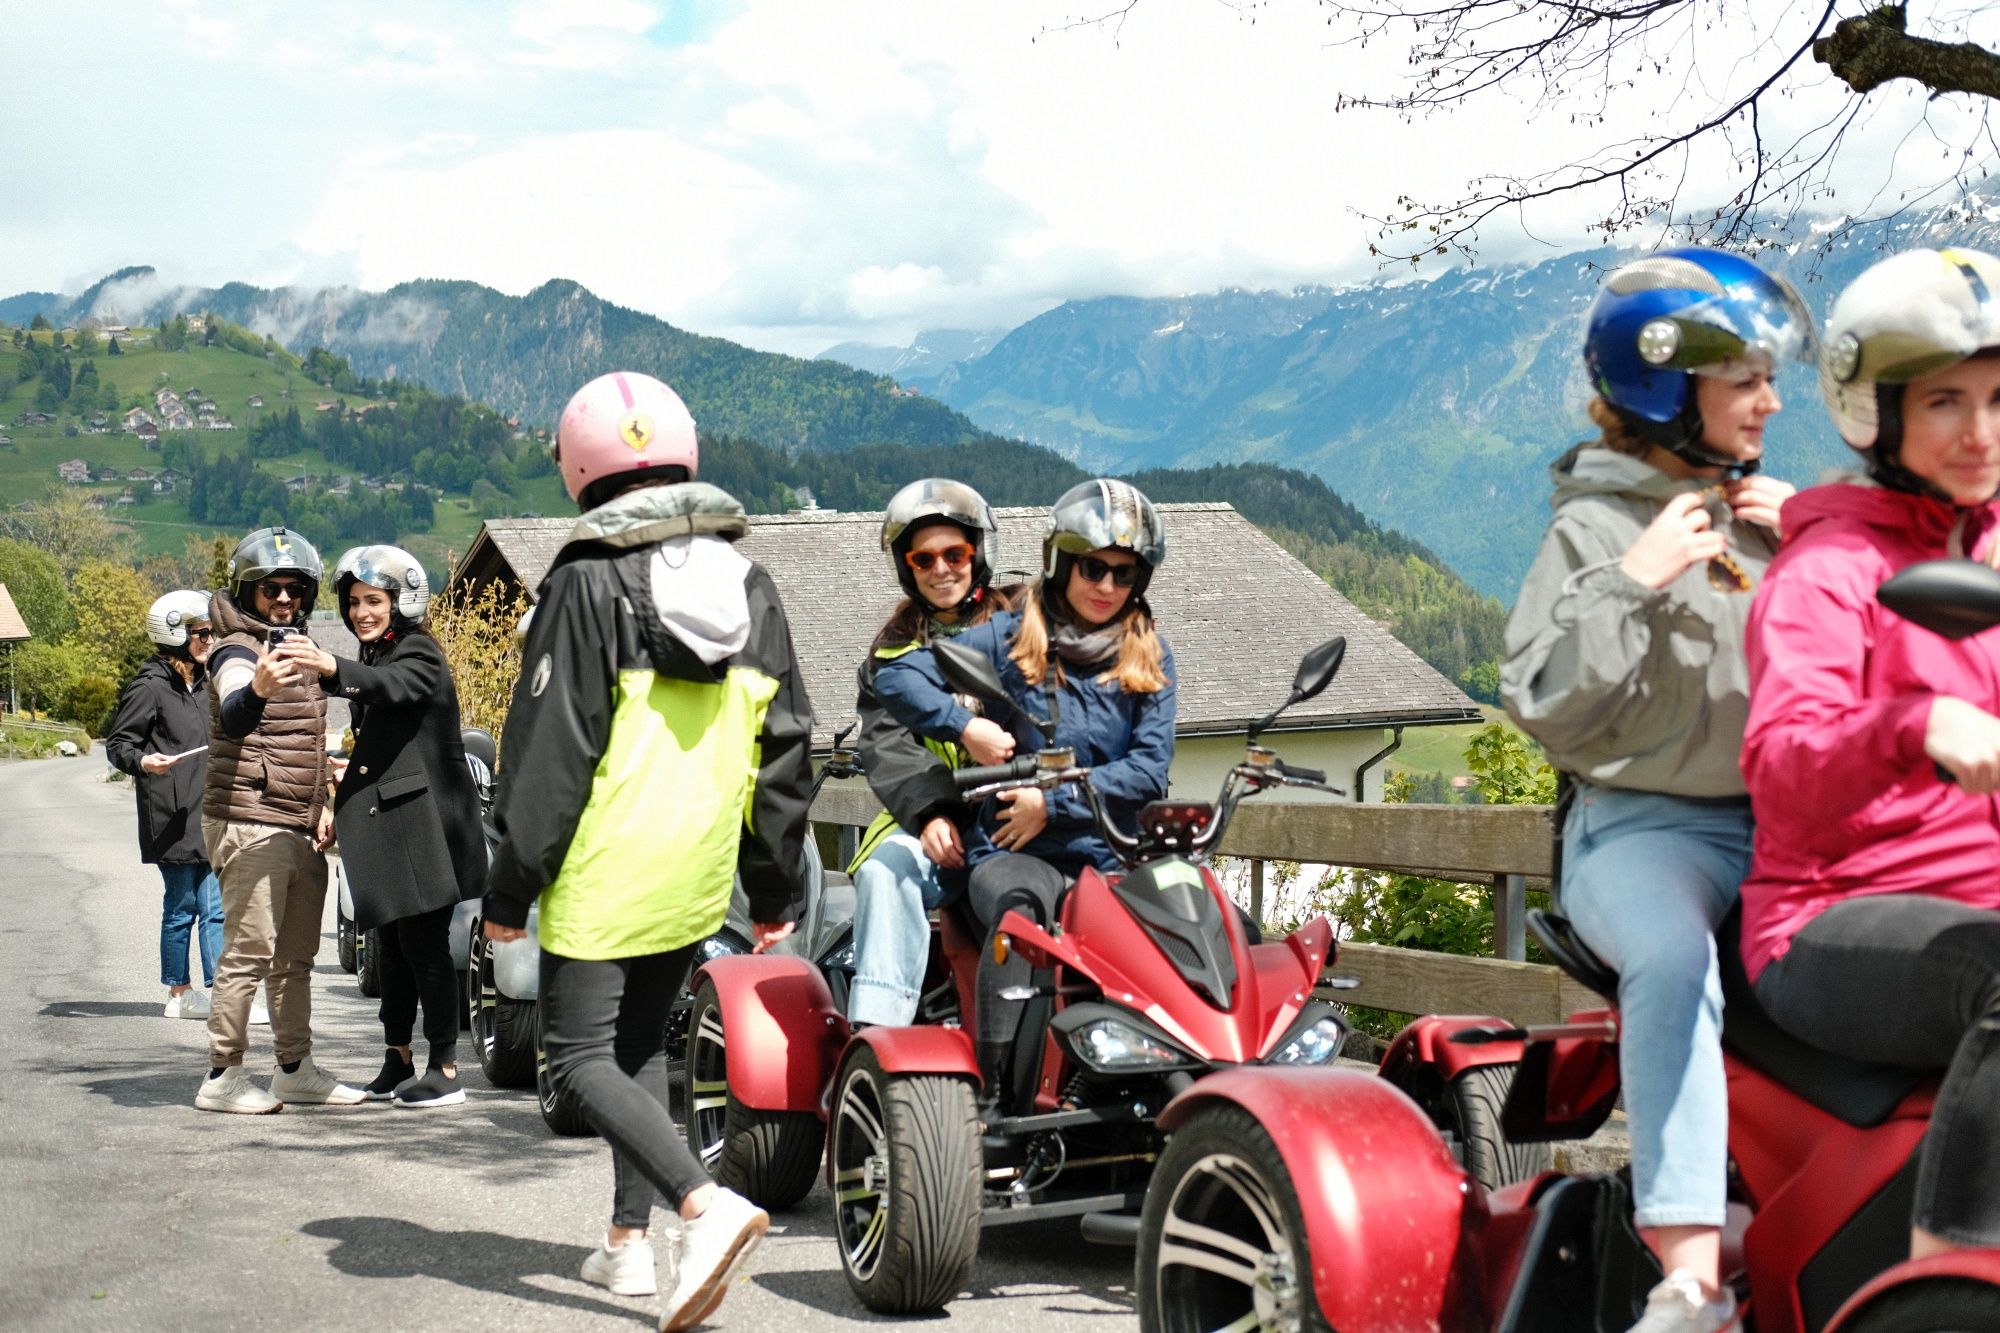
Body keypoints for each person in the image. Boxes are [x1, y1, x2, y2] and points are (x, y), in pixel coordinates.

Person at [1501, 247, 1814, 1333]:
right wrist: (1632, 580)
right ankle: (1689, 1268)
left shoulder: (1767, 518)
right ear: (1664, 389)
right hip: (1639, 831)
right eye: (1745, 382)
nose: (1771, 402)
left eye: (1770, 378)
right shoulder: (1593, 529)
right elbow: (1541, 697)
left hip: (1781, 831)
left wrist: (1820, 545)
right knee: (1675, 956)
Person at [482, 371, 812, 1329]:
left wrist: (511, 883)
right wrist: (772, 879)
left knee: (574, 1054)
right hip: (697, 867)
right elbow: (786, 744)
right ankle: (628, 1248)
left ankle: (703, 1207)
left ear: (581, 468)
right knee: (633, 1053)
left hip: (605, 863)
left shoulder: (586, 585)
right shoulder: (752, 586)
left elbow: (547, 758)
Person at [1741, 246, 2000, 1263]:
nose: (1978, 431)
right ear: (1877, 410)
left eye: (1996, 397)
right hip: (1824, 917)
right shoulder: (1829, 570)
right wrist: (1914, 725)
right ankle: (1952, 1278)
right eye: (1944, 401)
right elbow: (1782, 763)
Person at [875, 478, 1175, 1114]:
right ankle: (998, 1103)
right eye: (1093, 568)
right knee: (1021, 921)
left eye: (1125, 574)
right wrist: (964, 725)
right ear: (1062, 564)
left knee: (1213, 922)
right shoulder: (1012, 636)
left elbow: (1149, 771)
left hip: (1111, 852)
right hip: (1015, 852)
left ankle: (1206, 1084)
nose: (1107, 587)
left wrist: (1053, 800)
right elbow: (896, 676)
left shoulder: (1149, 654)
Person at [281, 545, 484, 1107]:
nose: (361, 613)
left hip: (425, 831)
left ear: (402, 601)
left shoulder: (418, 651)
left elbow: (397, 688)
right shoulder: (375, 657)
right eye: (353, 603)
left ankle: (445, 1068)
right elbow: (382, 744)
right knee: (388, 949)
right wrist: (336, 802)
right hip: (391, 827)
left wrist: (330, 668)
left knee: (425, 948)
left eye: (373, 601)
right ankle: (397, 1058)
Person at [194, 526, 362, 1115]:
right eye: (271, 589)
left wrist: (321, 803)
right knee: (249, 953)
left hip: (296, 821)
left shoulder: (296, 646)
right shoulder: (236, 649)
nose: (285, 599)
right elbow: (237, 707)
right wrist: (258, 690)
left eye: (295, 588)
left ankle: (294, 1069)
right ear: (247, 590)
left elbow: (307, 743)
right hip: (250, 820)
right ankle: (223, 1075)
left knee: (295, 958)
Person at [846, 478, 1016, 1029]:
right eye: (924, 558)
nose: (941, 569)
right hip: (929, 822)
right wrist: (933, 812)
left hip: (1021, 816)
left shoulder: (1024, 622)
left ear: (977, 554)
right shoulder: (890, 652)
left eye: (955, 554)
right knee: (885, 872)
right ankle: (880, 1036)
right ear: (908, 567)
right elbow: (887, 744)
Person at [104, 590, 225, 1019]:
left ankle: (224, 995)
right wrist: (143, 761)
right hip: (171, 814)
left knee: (215, 908)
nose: (209, 639)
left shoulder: (209, 683)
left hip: (210, 810)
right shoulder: (150, 686)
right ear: (175, 635)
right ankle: (179, 993)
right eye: (201, 633)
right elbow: (119, 745)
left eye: (211, 631)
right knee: (182, 907)